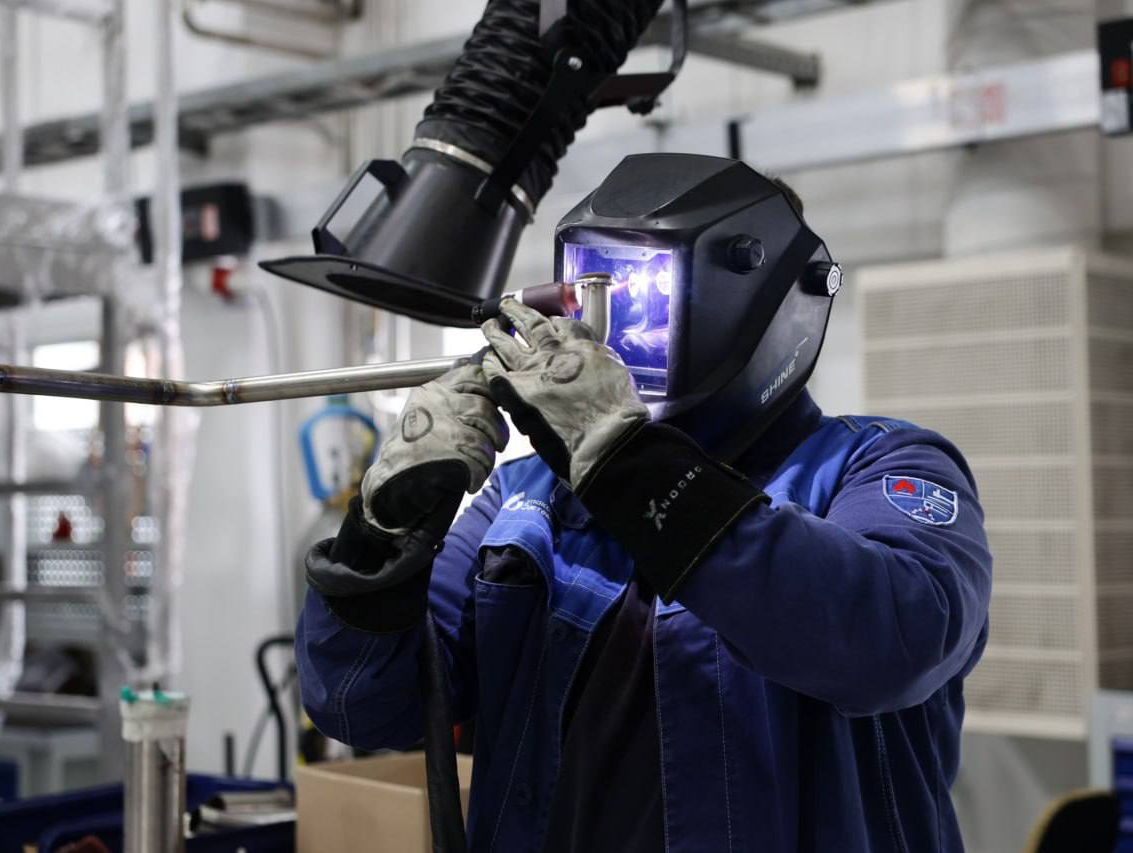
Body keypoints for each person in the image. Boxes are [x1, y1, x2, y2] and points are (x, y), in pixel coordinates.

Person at [296, 154, 992, 852]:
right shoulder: (523, 501)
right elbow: (358, 704)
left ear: (767, 299)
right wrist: (381, 531)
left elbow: (893, 640)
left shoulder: (880, 467)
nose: (626, 325)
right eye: (604, 287)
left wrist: (628, 466)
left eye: (652, 294)